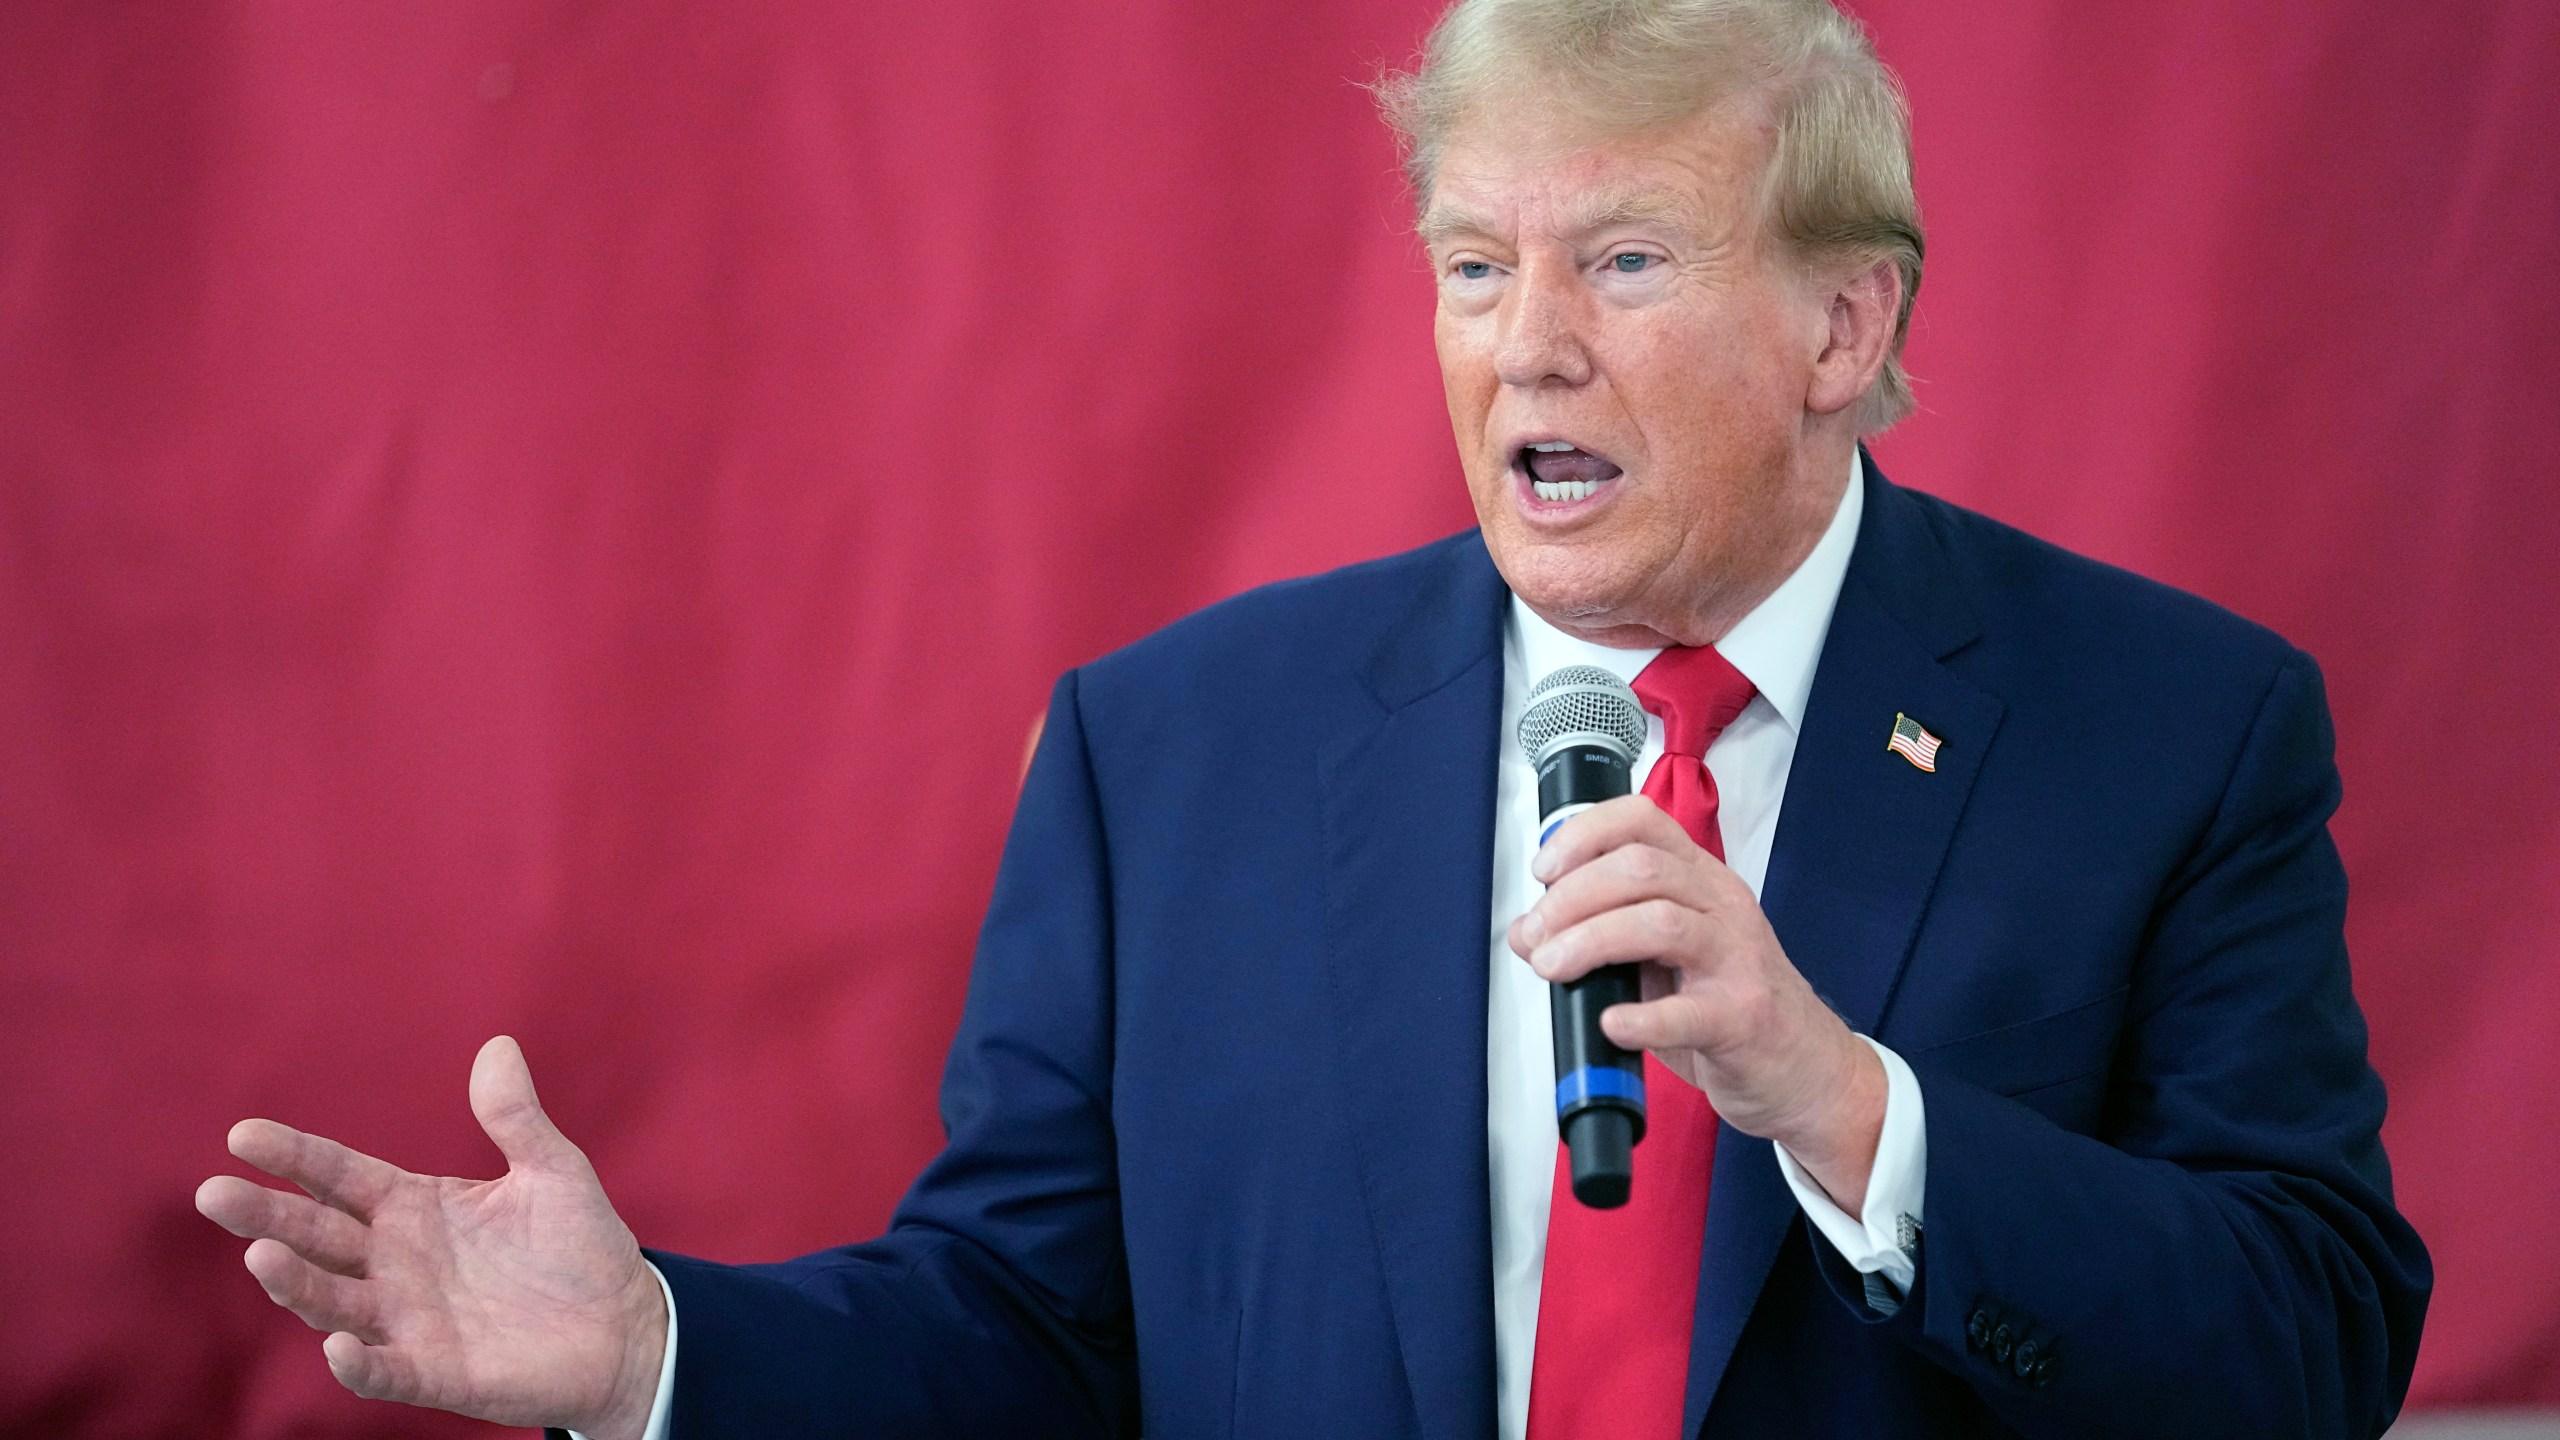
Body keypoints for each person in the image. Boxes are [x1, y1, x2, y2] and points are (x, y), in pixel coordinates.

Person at [194, 0, 2432, 1436]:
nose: (1523, 348)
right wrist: (659, 1351)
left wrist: (1844, 1107)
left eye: (1623, 262)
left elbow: (2312, 1345)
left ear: (1844, 322)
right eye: (1474, 264)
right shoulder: (1173, 753)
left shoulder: (2173, 728)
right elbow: (1027, 1333)